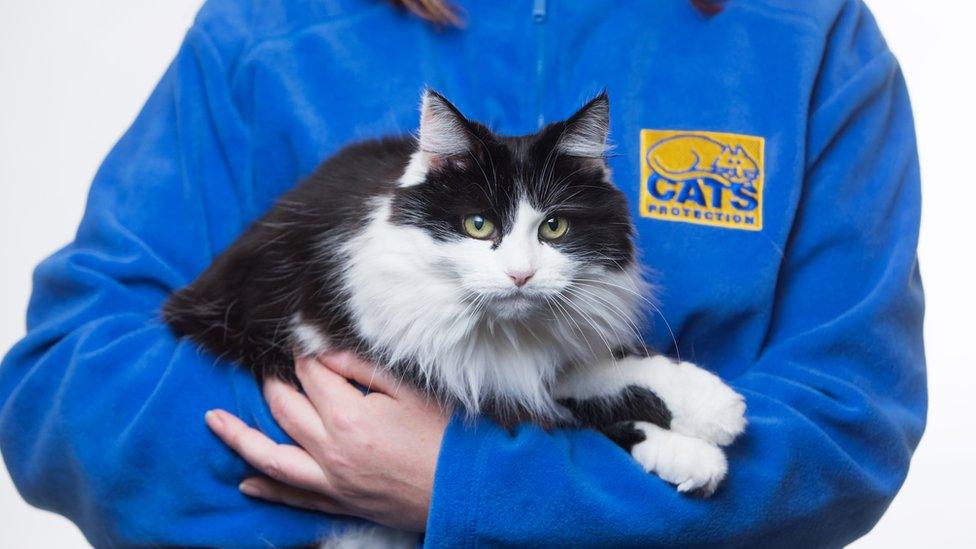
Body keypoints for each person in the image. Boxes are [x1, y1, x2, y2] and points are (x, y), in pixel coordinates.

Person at [0, 0, 926, 546]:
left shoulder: (810, 32)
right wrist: (349, 465)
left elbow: (850, 423)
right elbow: (60, 386)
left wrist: (466, 484)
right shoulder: (271, 23)